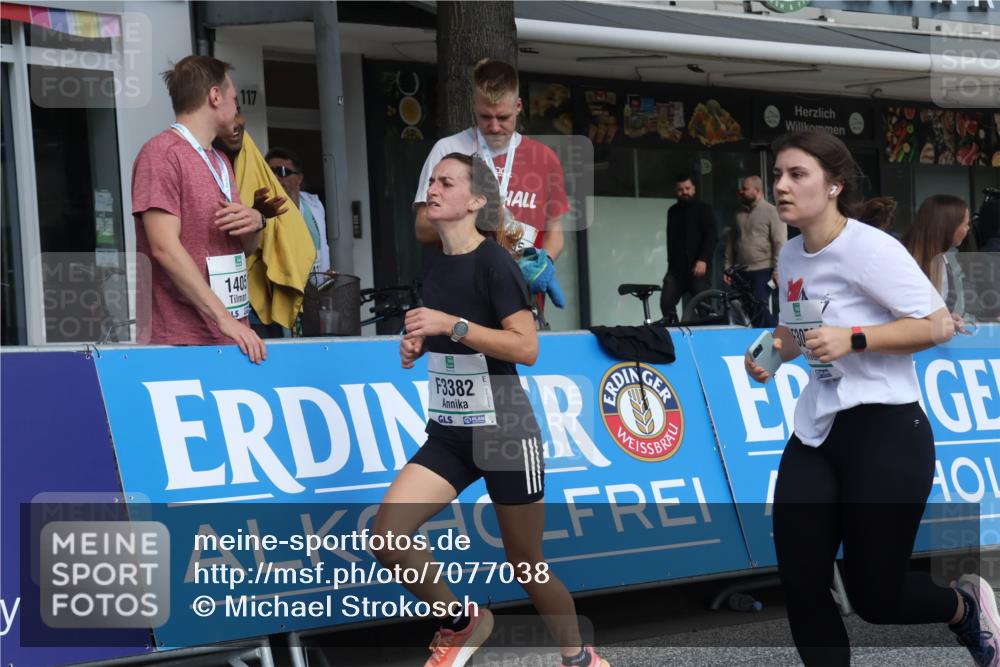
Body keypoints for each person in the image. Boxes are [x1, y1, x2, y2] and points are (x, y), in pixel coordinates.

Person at [744, 130, 998, 667]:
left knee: (877, 597)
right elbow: (796, 332)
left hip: (885, 434)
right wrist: (766, 355)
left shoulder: (870, 248)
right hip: (816, 433)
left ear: (834, 185)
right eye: (778, 176)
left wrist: (855, 338)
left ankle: (964, 608)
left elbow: (935, 326)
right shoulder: (791, 255)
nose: (782, 187)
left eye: (797, 175)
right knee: (802, 577)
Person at [374, 153, 608, 667]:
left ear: (475, 200)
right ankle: (462, 621)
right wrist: (417, 344)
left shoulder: (494, 262)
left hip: (505, 429)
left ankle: (580, 658)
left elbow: (526, 348)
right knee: (387, 537)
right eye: (431, 180)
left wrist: (450, 325)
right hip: (451, 430)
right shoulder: (435, 258)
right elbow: (443, 331)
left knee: (527, 564)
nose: (432, 189)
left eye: (446, 182)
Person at [131, 55, 266, 363]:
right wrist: (223, 317)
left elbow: (244, 249)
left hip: (231, 337)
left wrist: (255, 222)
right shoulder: (161, 154)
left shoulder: (220, 162)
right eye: (234, 100)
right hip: (180, 340)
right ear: (215, 96)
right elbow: (164, 247)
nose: (237, 112)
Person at [412, 59, 570, 314]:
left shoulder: (544, 158)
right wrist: (484, 217)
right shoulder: (448, 150)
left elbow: (555, 233)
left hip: (521, 299)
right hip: (459, 296)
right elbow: (422, 227)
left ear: (518, 106)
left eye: (503, 117)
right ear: (474, 107)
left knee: (521, 352)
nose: (495, 127)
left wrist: (543, 264)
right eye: (486, 117)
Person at [214, 116, 316, 338]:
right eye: (274, 172)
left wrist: (259, 217)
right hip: (217, 309)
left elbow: (245, 249)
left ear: (299, 178)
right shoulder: (205, 165)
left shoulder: (249, 164)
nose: (239, 120)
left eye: (238, 110)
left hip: (253, 309)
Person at [903, 194, 972, 334]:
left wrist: (946, 318)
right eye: (965, 225)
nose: (968, 229)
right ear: (948, 227)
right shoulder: (904, 262)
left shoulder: (943, 260)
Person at [724, 175, 785, 327]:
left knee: (759, 307)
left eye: (745, 189)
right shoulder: (738, 214)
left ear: (757, 190)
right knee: (745, 309)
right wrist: (727, 268)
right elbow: (731, 242)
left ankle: (776, 335)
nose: (741, 192)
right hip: (741, 271)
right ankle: (757, 341)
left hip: (763, 270)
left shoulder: (772, 212)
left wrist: (778, 270)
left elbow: (780, 242)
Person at [660, 174, 718, 321]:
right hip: (676, 270)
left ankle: (707, 335)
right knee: (666, 303)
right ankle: (674, 334)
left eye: (687, 188)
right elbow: (671, 241)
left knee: (704, 307)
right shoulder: (672, 212)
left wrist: (703, 260)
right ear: (675, 191)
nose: (684, 192)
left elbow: (711, 237)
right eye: (680, 189)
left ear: (694, 189)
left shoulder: (704, 209)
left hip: (698, 268)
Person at [266, 147, 331, 276]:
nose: (275, 177)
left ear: (299, 178)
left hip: (317, 288)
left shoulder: (314, 206)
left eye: (282, 172)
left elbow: (324, 248)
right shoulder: (263, 211)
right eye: (270, 172)